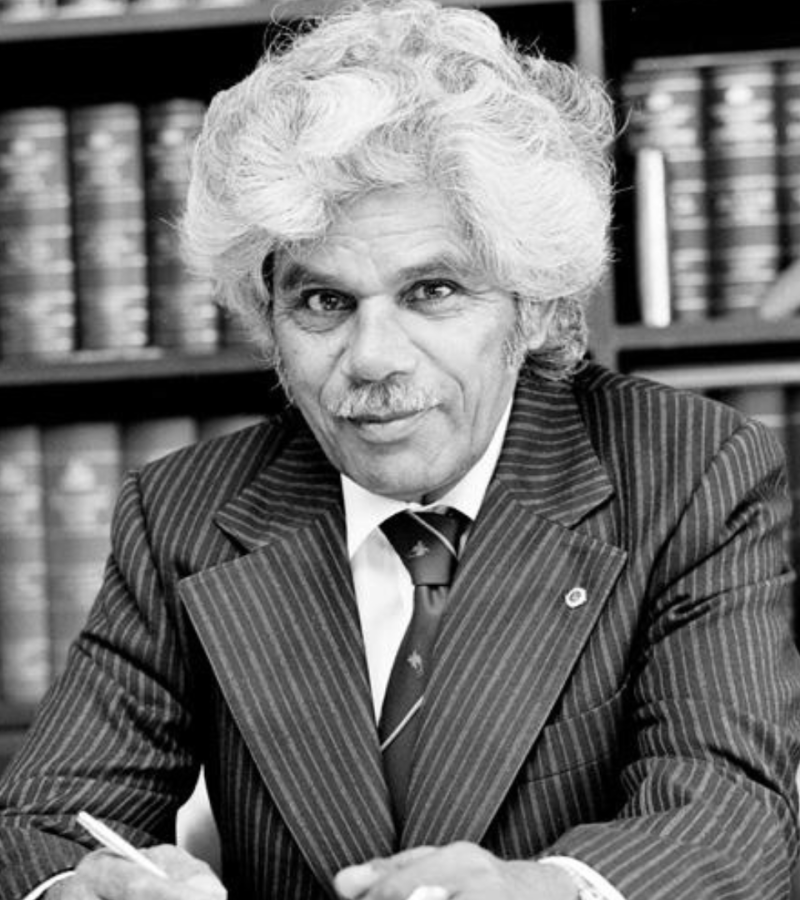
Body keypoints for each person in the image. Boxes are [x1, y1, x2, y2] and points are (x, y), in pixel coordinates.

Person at [1, 1, 800, 898]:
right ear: (268, 320)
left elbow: (734, 810)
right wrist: (80, 886)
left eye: (432, 290)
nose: (373, 359)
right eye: (323, 304)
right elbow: (42, 823)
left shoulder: (688, 469)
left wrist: (544, 890)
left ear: (532, 303)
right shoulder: (182, 510)